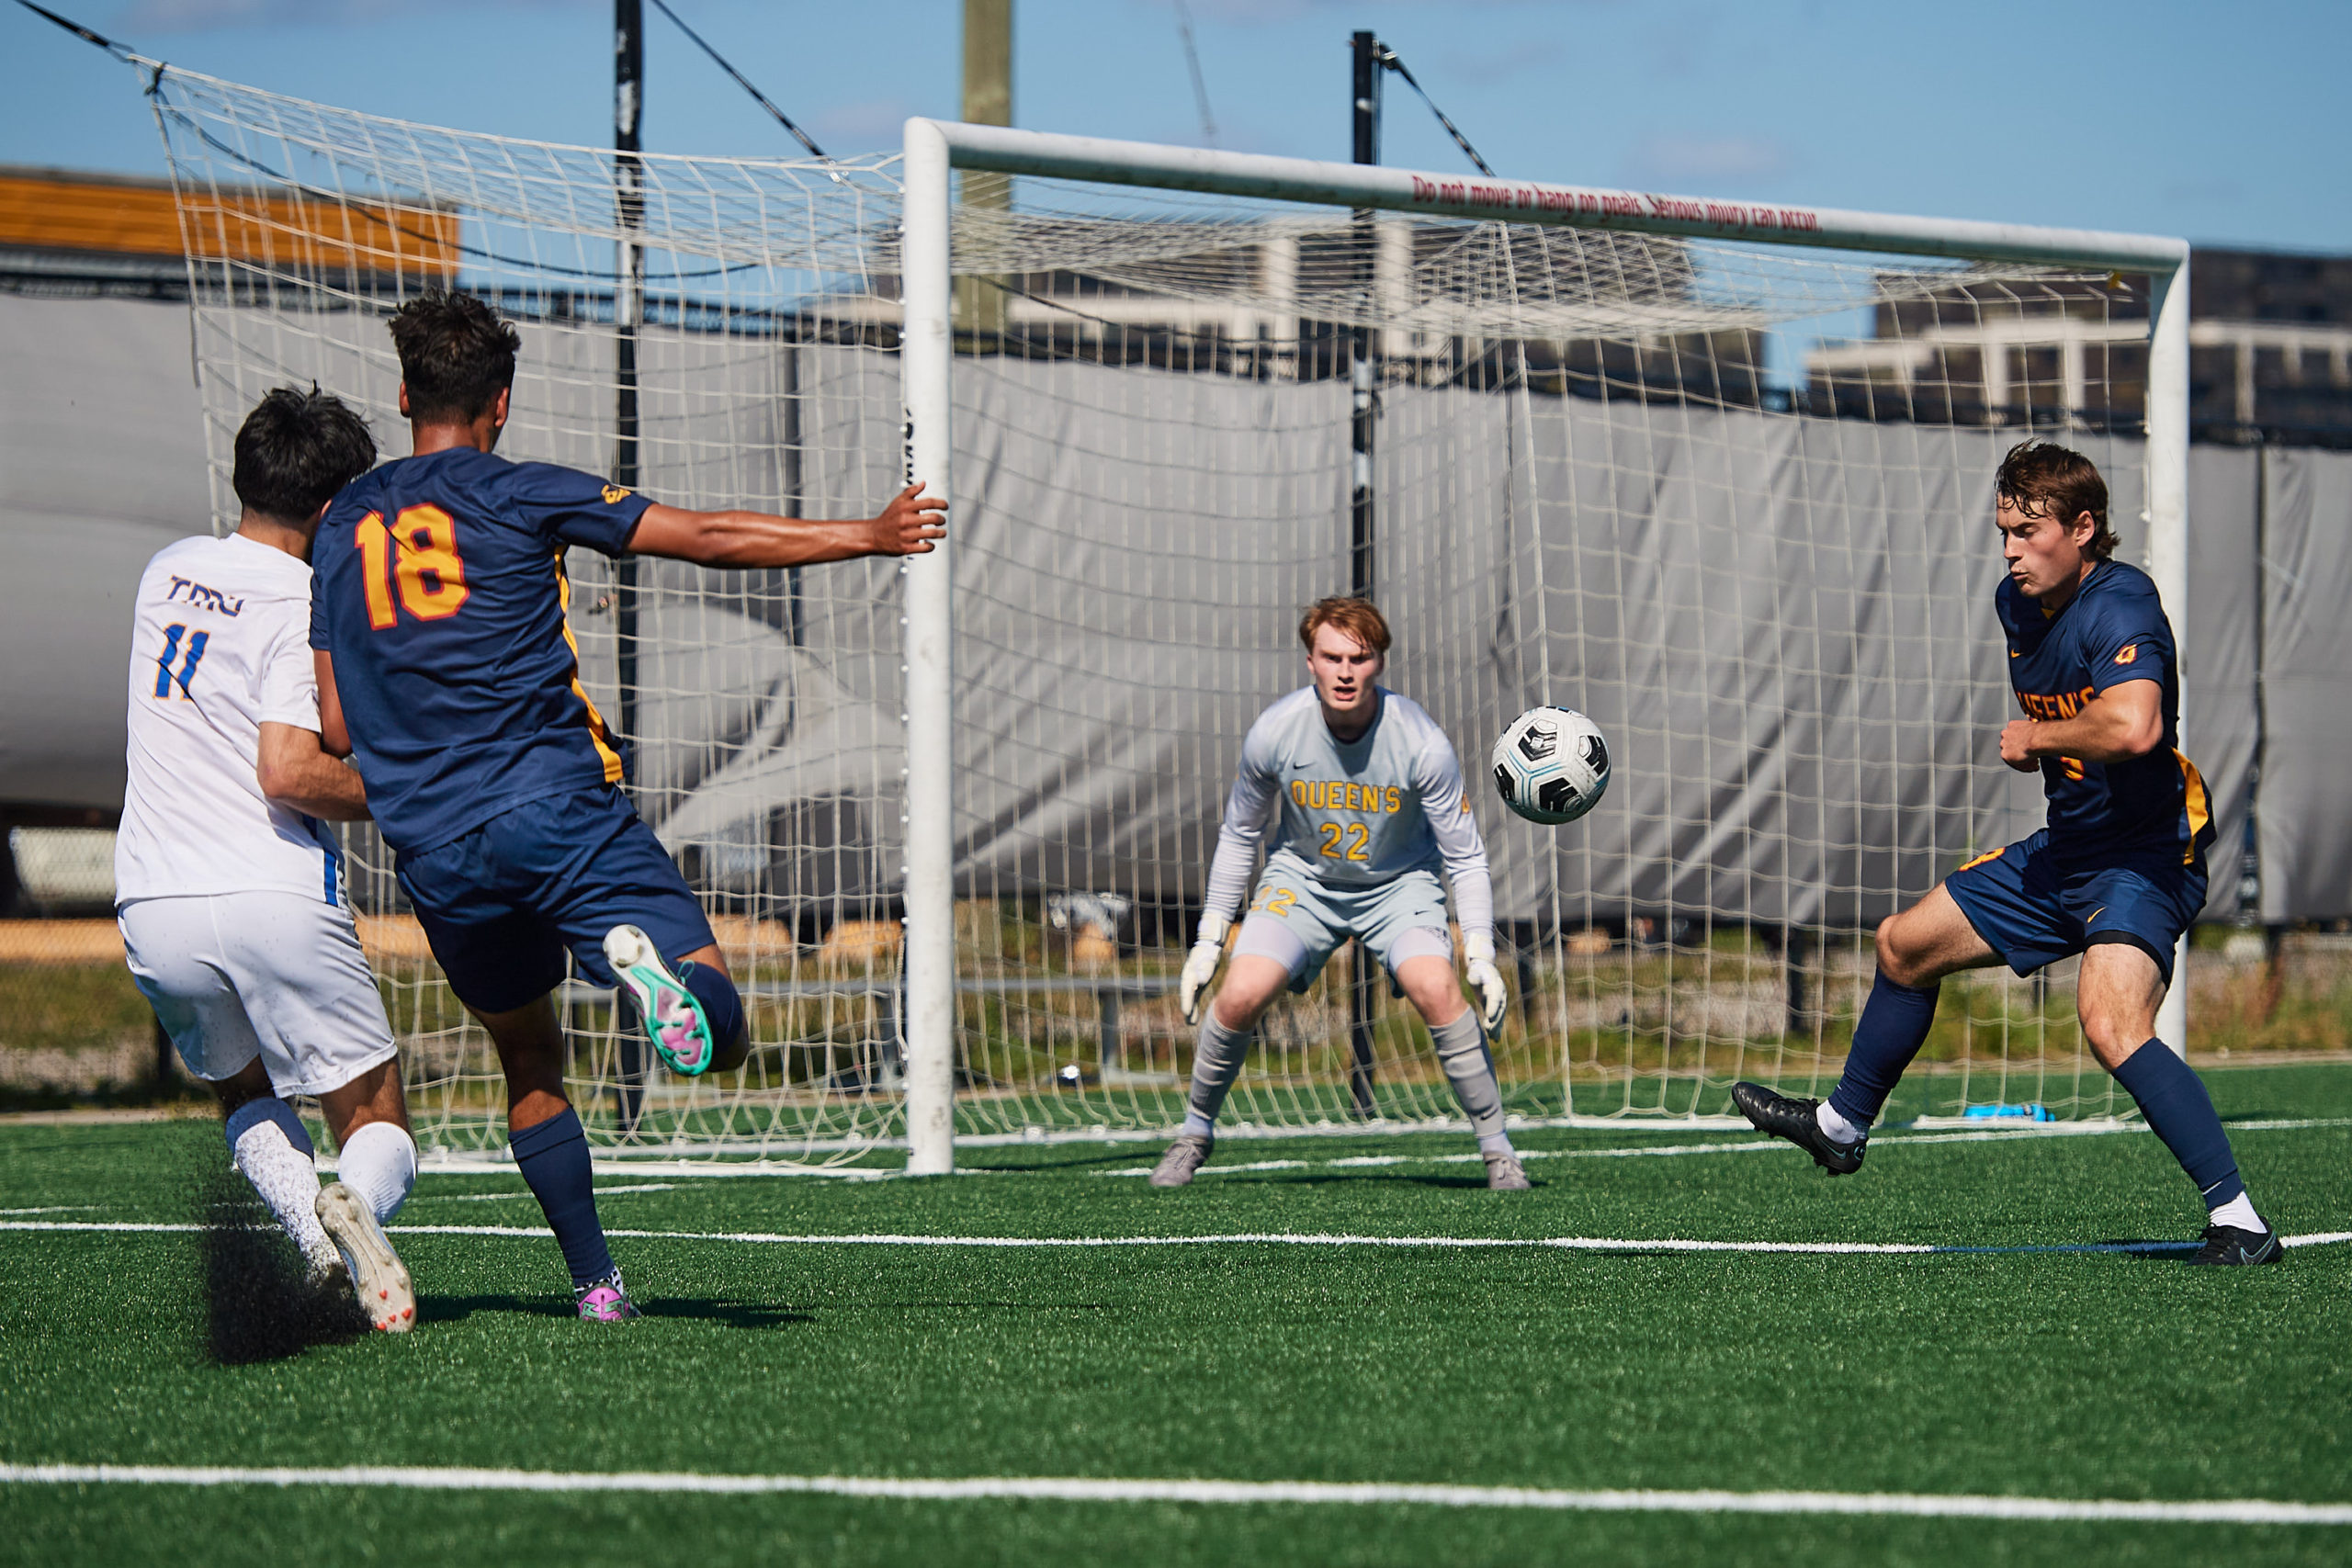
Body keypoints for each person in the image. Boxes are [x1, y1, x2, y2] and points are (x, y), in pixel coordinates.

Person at [310, 290, 946, 1321]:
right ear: (501, 403)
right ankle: (657, 986)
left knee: (527, 1055)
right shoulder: (522, 494)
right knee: (721, 1021)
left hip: (432, 845)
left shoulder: (339, 525)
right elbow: (704, 535)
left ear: (402, 395)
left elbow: (337, 725)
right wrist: (868, 535)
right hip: (555, 809)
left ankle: (596, 1286)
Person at [1734, 440, 2277, 1264]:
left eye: (2029, 531)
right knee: (1902, 945)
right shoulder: (2016, 602)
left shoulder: (2124, 601)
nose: (2012, 550)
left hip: (2145, 859)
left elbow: (2136, 726)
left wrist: (2039, 735)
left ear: (2084, 528)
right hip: (2066, 852)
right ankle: (1841, 1127)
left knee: (2110, 1021)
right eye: (2004, 533)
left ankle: (2240, 1221)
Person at [118, 386, 419, 1332]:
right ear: (332, 511)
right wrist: (410, 790)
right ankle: (356, 1205)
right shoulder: (306, 596)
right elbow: (289, 770)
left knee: (243, 1089)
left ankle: (315, 1236)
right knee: (374, 1112)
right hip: (272, 886)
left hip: (155, 900)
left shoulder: (165, 570)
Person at [1154, 596, 1522, 1190]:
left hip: (1399, 885)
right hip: (1304, 881)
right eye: (1333, 657)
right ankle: (1194, 1132)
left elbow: (1465, 853)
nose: (1346, 670)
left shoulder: (1421, 742)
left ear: (1379, 663)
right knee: (1241, 993)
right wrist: (1209, 938)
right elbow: (1240, 832)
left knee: (1437, 987)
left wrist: (1479, 951)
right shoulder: (1275, 731)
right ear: (1310, 662)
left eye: (1360, 657)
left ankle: (1497, 1146)